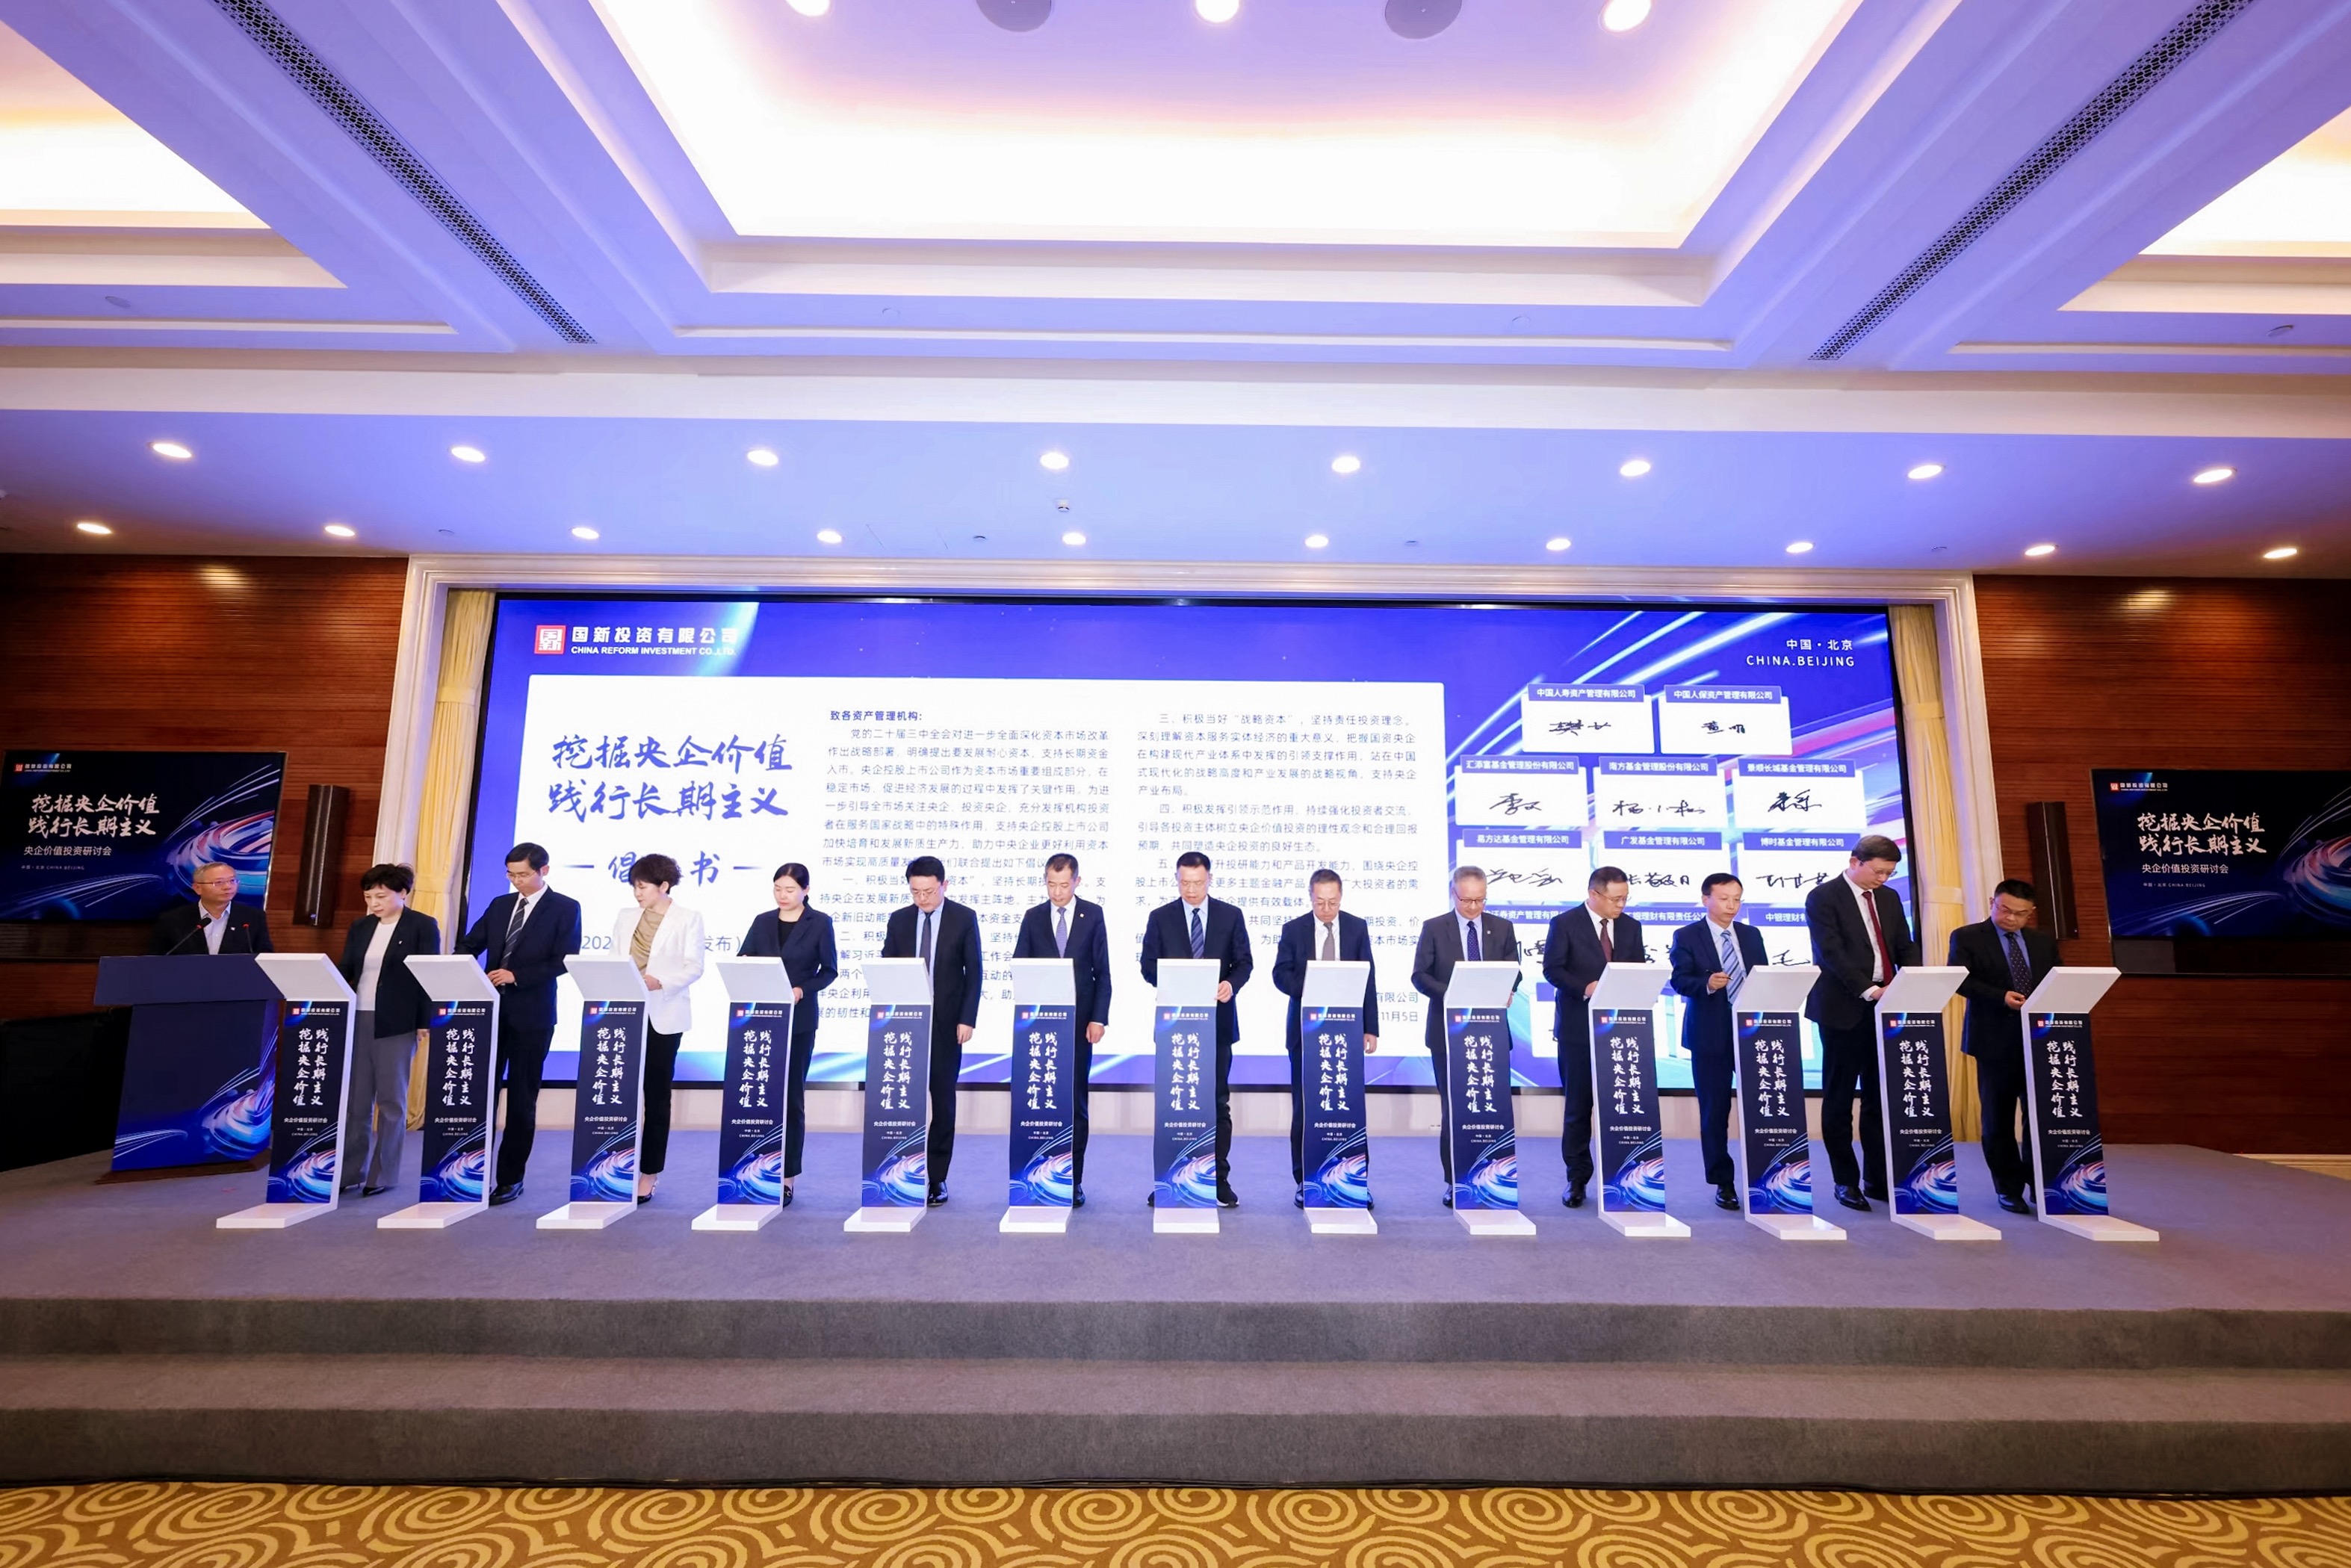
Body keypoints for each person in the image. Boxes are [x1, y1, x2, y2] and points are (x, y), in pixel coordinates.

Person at [459, 842, 583, 1206]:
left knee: (521, 1100)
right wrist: (454, 968)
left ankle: (511, 1179)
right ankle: (470, 1172)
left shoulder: (565, 907)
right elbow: (470, 944)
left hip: (533, 1016)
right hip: (490, 1013)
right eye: (511, 875)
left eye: (523, 875)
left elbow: (565, 960)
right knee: (480, 1095)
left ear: (544, 871)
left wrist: (518, 976)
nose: (517, 881)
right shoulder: (500, 905)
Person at [1803, 833, 1920, 1212]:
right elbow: (1831, 953)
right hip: (1844, 1008)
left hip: (1887, 1007)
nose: (1883, 879)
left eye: (1890, 873)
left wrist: (1914, 982)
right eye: (1878, 871)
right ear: (1856, 862)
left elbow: (1904, 945)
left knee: (1879, 1097)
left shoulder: (1888, 898)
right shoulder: (1823, 897)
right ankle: (1845, 1181)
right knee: (1839, 1099)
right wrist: (1869, 990)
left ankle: (1877, 1177)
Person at [1139, 851, 1254, 1207]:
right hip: (1175, 1026)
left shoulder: (1230, 916)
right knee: (1175, 1104)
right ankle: (1170, 1178)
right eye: (1185, 883)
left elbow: (1244, 963)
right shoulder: (1160, 918)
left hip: (1217, 1026)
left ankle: (1218, 1179)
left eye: (1198, 883)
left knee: (1217, 1102)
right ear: (1176, 880)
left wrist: (1230, 984)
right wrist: (1177, 981)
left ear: (1209, 880)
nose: (1191, 889)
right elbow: (1147, 966)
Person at [1410, 866, 1520, 1203]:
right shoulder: (1434, 928)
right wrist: (1454, 994)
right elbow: (1420, 975)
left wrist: (1508, 987)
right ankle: (1455, 1180)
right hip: (1448, 1032)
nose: (1474, 907)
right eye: (1467, 900)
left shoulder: (1502, 928)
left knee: (1491, 1106)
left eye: (1480, 900)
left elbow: (1514, 971)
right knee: (1455, 1107)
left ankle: (1495, 1175)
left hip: (1491, 1033)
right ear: (1453, 894)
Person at [1950, 878, 2060, 1215]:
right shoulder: (1967, 936)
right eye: (2005, 909)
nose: (2011, 918)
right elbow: (1960, 980)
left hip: (2039, 1040)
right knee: (1997, 1119)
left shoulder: (2042, 942)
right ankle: (2008, 1188)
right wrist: (2001, 997)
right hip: (1993, 1039)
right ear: (1992, 903)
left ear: (2032, 912)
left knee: (2040, 1117)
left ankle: (2041, 1184)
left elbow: (2056, 980)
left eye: (2020, 913)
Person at [1270, 869, 1379, 1208]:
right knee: (1305, 1109)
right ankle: (1305, 1179)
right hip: (1305, 1032)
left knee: (1350, 1106)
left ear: (1341, 897)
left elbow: (1368, 978)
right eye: (1320, 902)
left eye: (1333, 902)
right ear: (1310, 896)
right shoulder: (1294, 929)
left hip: (1348, 1032)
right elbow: (1280, 974)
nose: (1327, 909)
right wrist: (1315, 986)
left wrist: (1371, 1027)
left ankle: (1356, 1180)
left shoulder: (1357, 927)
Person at [1010, 852, 1112, 1206]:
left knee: (1074, 1102)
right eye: (1051, 885)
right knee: (1041, 1099)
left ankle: (1073, 1179)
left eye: (1064, 885)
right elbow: (1020, 967)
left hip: (1080, 1025)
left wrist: (1098, 1018)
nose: (1057, 892)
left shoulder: (1093, 915)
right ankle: (1035, 1173)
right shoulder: (1033, 917)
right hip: (1040, 1026)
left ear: (1077, 882)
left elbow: (1102, 972)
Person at [881, 855, 982, 1206]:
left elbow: (974, 973)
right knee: (902, 1099)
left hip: (946, 1025)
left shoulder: (963, 918)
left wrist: (967, 1018)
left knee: (942, 1101)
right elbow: (888, 967)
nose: (922, 898)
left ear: (944, 885)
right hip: (905, 1024)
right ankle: (900, 1171)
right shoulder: (899, 920)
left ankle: (937, 1177)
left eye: (928, 891)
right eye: (915, 892)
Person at [335, 863, 439, 1197]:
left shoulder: (422, 925)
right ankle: (350, 1171)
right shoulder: (361, 926)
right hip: (359, 1017)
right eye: (368, 897)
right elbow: (346, 968)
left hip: (397, 1020)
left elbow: (427, 976)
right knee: (356, 1101)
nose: (374, 903)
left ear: (403, 893)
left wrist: (424, 1021)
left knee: (392, 1100)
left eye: (381, 896)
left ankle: (382, 1175)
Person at [1543, 865, 1644, 1209]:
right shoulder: (1565, 924)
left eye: (1625, 898)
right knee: (1578, 1109)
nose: (1621, 905)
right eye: (1615, 899)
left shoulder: (1631, 927)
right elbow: (1552, 969)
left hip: (1622, 1032)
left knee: (1624, 1106)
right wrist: (1585, 988)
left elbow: (1636, 970)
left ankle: (1627, 1176)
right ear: (1594, 894)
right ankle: (1577, 1178)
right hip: (1578, 1031)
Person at [739, 862, 837, 1207]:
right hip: (760, 1020)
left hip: (799, 1021)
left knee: (791, 1098)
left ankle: (787, 1176)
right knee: (760, 1095)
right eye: (778, 889)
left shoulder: (820, 922)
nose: (783, 896)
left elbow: (829, 971)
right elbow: (744, 958)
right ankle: (752, 1167)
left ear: (806, 891)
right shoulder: (762, 921)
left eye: (790, 890)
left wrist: (801, 989)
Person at [1670, 873, 1768, 1212]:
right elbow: (1679, 980)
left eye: (1737, 899)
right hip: (1710, 1035)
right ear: (1706, 900)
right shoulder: (1687, 935)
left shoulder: (1751, 935)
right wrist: (1708, 984)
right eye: (1724, 898)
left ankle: (1766, 1176)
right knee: (1715, 1111)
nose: (1732, 905)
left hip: (1752, 1032)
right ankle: (1723, 1182)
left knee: (1763, 1106)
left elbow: (1763, 977)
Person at [612, 854, 705, 1204]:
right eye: (634, 887)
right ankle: (615, 1164)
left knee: (656, 1095)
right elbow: (614, 960)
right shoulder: (625, 916)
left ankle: (649, 1173)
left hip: (664, 1015)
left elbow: (694, 967)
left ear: (664, 885)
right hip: (624, 1013)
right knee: (619, 1093)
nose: (637, 893)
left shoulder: (688, 918)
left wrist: (660, 981)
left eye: (643, 887)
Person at [150, 862, 272, 955]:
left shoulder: (253, 917)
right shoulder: (172, 920)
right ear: (198, 888)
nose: (228, 887)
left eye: (232, 881)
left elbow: (264, 955)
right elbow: (157, 959)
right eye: (219, 882)